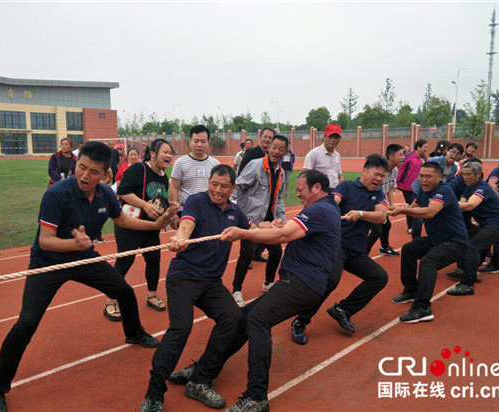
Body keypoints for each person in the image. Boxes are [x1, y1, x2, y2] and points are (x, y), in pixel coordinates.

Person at [0, 142, 170, 412]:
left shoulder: (106, 195)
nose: (84, 175)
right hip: (47, 262)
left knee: (125, 291)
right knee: (26, 323)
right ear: (75, 164)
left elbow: (124, 221)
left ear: (105, 175)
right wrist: (76, 245)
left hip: (82, 257)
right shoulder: (56, 194)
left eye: (93, 172)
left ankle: (133, 332)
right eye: (81, 167)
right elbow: (46, 241)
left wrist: (155, 224)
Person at [163, 170, 340, 412]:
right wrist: (274, 225)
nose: (296, 193)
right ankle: (204, 369)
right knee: (242, 318)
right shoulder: (324, 208)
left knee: (258, 319)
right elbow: (289, 230)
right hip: (299, 281)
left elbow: (284, 235)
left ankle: (256, 397)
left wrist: (243, 233)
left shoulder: (320, 209)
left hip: (302, 283)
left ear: (317, 187)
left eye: (300, 189)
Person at [139, 165, 253, 412]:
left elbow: (251, 230)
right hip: (184, 277)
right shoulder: (196, 201)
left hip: (211, 282)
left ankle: (200, 378)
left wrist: (272, 228)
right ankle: (154, 393)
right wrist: (181, 238)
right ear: (209, 182)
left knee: (233, 319)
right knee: (181, 327)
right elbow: (187, 224)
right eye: (214, 184)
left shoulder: (235, 212)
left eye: (224, 186)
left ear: (232, 188)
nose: (217, 190)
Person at [291, 154, 389, 344]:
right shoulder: (347, 187)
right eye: (376, 174)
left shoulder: (378, 194)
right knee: (331, 280)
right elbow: (331, 202)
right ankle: (301, 320)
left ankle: (343, 309)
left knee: (379, 277)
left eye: (382, 176)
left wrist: (360, 214)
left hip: (356, 251)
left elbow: (381, 216)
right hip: (337, 246)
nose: (378, 179)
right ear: (364, 171)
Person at [106, 139, 178, 321]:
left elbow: (156, 197)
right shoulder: (138, 169)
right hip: (130, 225)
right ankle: (110, 301)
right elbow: (123, 191)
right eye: (165, 151)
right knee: (125, 261)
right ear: (153, 153)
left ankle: (152, 295)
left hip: (150, 228)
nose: (169, 156)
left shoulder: (162, 176)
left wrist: (169, 204)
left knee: (154, 261)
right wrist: (145, 205)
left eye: (171, 153)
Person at [390, 161, 469, 323]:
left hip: (456, 242)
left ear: (439, 177)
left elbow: (430, 212)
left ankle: (422, 308)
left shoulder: (443, 190)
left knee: (428, 262)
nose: (423, 180)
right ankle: (411, 290)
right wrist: (398, 207)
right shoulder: (424, 191)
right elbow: (415, 206)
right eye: (421, 176)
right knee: (409, 249)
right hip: (437, 239)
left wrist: (403, 210)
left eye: (428, 176)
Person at [231, 135, 288, 306]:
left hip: (268, 222)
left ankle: (268, 283)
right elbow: (238, 186)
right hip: (250, 219)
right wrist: (236, 213)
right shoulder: (256, 166)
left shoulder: (281, 172)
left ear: (285, 152)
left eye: (281, 149)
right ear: (269, 148)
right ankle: (236, 290)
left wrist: (281, 217)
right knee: (246, 254)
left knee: (276, 251)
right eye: (274, 147)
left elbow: (277, 198)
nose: (276, 151)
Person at [446, 162, 499, 296]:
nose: (465, 177)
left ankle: (467, 284)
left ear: (478, 174)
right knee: (466, 240)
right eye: (463, 174)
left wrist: (444, 204)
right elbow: (462, 203)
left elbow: (469, 205)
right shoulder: (468, 188)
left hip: (498, 225)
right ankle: (465, 270)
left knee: (473, 247)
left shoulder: (482, 188)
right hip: (486, 225)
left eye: (468, 174)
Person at [236, 127, 275, 263]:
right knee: (249, 227)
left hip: (266, 196)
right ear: (260, 137)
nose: (267, 139)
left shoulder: (272, 155)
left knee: (265, 226)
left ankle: (256, 254)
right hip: (251, 195)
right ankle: (246, 257)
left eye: (270, 137)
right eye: (265, 136)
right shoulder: (252, 153)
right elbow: (242, 174)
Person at [410, 143, 464, 237]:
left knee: (432, 215)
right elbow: (423, 176)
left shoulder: (454, 168)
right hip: (421, 190)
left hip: (434, 192)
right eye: (452, 152)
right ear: (447, 151)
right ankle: (415, 238)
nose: (454, 155)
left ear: (460, 156)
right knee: (419, 217)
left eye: (457, 154)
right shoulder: (435, 161)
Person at [169, 125, 220, 219]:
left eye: (203, 141)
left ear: (208, 142)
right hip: (186, 211)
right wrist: (173, 214)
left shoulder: (215, 164)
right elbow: (174, 188)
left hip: (210, 211)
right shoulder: (180, 163)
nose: (199, 145)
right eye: (196, 141)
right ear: (190, 142)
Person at [367, 144, 404, 256]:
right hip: (371, 201)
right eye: (401, 154)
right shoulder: (379, 171)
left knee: (386, 225)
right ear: (391, 157)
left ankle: (384, 247)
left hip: (380, 203)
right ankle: (361, 252)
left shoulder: (395, 171)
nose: (403, 157)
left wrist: (392, 204)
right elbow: (372, 189)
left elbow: (390, 187)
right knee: (377, 230)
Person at [396, 139, 428, 234]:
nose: (427, 149)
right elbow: (401, 168)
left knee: (418, 206)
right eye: (425, 147)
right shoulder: (409, 156)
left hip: (421, 188)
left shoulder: (425, 158)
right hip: (407, 187)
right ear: (418, 147)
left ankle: (416, 225)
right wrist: (396, 181)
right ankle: (410, 226)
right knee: (410, 206)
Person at [303, 123, 343, 189]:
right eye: (330, 136)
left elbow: (339, 175)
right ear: (324, 136)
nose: (333, 140)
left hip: (335, 192)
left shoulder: (337, 155)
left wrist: (341, 190)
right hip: (320, 192)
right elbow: (306, 175)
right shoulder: (314, 153)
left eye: (336, 137)